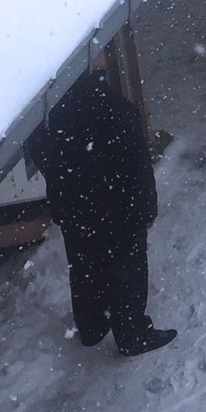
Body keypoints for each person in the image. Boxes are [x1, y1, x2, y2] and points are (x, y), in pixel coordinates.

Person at [26, 67, 176, 358]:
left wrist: (66, 185)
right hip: (118, 210)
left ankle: (91, 326)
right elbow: (139, 167)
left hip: (76, 210)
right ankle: (131, 333)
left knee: (84, 268)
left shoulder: (52, 117)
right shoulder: (119, 112)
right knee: (126, 272)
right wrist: (146, 208)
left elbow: (40, 151)